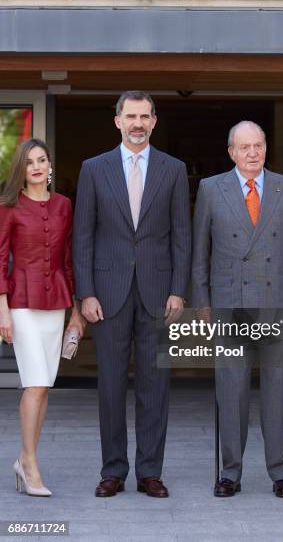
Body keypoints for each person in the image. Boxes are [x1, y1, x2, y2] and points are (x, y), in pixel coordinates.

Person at [73, 90, 191, 498]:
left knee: (155, 385)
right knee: (109, 385)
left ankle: (149, 472)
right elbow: (83, 234)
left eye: (145, 116)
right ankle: (113, 471)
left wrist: (179, 289)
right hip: (107, 293)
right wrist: (85, 291)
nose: (138, 123)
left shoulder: (173, 169)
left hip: (159, 293)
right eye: (131, 116)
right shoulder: (94, 169)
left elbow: (182, 235)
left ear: (154, 121)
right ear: (117, 121)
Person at [192, 121, 283, 498]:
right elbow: (201, 252)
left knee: (279, 392)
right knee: (231, 391)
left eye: (258, 145)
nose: (252, 153)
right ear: (231, 152)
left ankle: (281, 472)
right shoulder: (211, 189)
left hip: (277, 301)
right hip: (229, 303)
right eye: (244, 147)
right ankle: (230, 472)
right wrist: (203, 302)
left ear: (266, 148)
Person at [0, 138, 85, 496]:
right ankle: (30, 463)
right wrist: (1, 309)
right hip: (21, 304)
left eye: (42, 160)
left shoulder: (65, 205)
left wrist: (77, 313)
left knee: (44, 385)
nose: (37, 166)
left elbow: (69, 258)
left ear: (50, 166)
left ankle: (25, 460)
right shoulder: (9, 207)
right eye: (30, 161)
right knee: (34, 383)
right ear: (22, 167)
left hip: (57, 303)